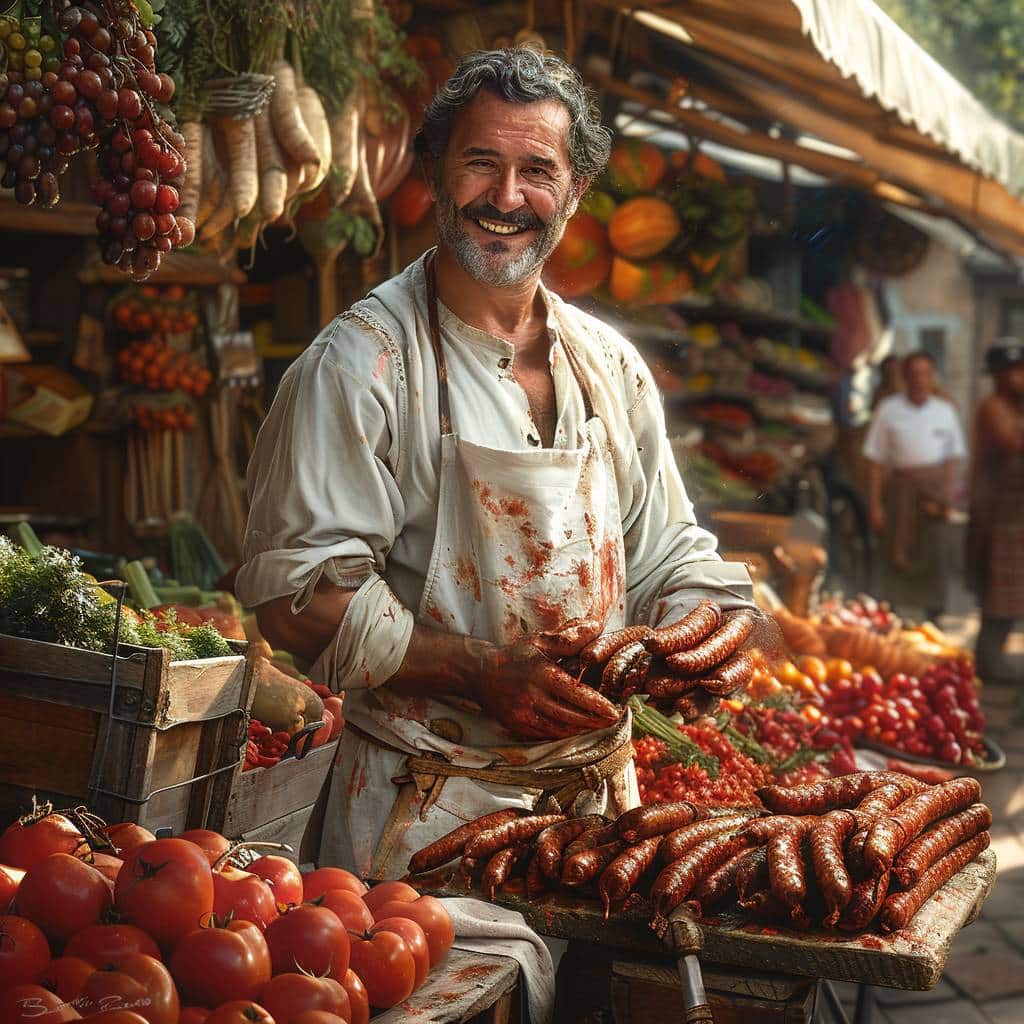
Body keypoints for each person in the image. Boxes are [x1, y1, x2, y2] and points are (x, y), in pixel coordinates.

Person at [235, 48, 753, 879]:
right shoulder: (362, 363)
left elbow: (666, 550)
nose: (507, 198)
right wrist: (480, 673)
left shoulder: (609, 366)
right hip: (420, 817)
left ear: (575, 193)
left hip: (597, 823)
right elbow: (301, 600)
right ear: (437, 175)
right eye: (481, 163)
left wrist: (701, 631)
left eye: (536, 171)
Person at [863, 350, 966, 622]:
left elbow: (954, 458)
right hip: (900, 491)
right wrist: (874, 504)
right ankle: (893, 619)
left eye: (925, 374)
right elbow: (874, 459)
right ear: (905, 377)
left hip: (933, 495)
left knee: (935, 552)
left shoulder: (945, 411)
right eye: (914, 374)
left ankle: (934, 617)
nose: (920, 380)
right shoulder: (888, 409)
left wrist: (949, 495)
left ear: (932, 377)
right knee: (896, 552)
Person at [966, 337, 1024, 682]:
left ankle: (994, 658)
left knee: (1014, 592)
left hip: (1016, 513)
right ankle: (989, 661)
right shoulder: (993, 407)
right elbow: (1013, 443)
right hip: (997, 514)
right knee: (997, 593)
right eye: (1013, 371)